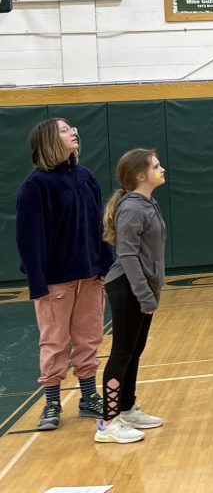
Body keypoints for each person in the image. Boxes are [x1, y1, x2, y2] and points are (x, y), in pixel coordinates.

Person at [15, 118, 114, 431]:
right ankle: (52, 402)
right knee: (54, 342)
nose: (74, 132)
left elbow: (99, 226)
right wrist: (37, 282)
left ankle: (88, 397)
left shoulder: (85, 176)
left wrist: (105, 265)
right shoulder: (35, 185)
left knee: (89, 338)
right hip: (55, 279)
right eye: (64, 129)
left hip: (90, 275)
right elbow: (29, 238)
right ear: (48, 141)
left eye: (72, 128)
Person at [94, 149, 168, 444]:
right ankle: (108, 422)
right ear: (140, 175)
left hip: (140, 288)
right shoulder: (133, 208)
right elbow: (127, 255)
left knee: (134, 351)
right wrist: (144, 295)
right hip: (128, 287)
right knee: (122, 353)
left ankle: (127, 407)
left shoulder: (147, 203)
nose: (162, 168)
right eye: (156, 165)